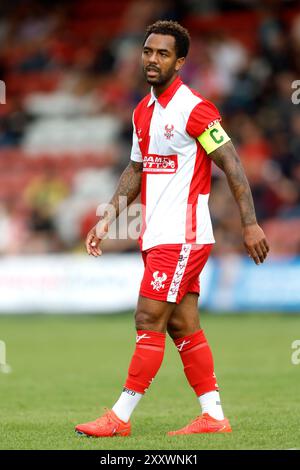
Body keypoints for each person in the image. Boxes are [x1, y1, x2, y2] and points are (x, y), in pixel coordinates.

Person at [75, 20, 269, 437]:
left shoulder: (195, 107)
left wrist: (249, 224)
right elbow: (135, 168)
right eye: (148, 51)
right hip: (156, 234)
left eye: (163, 53)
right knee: (183, 324)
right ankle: (213, 416)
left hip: (183, 235)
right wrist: (108, 216)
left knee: (148, 317)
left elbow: (232, 162)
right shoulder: (142, 110)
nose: (152, 59)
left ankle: (119, 417)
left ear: (180, 62)